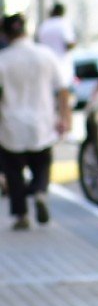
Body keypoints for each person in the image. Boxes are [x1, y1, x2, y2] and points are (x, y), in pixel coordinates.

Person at [0, 13, 71, 230]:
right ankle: (40, 192)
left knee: (13, 171)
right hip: (42, 120)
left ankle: (21, 215)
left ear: (5, 34)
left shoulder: (3, 60)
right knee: (42, 163)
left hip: (11, 124)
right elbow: (63, 88)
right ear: (26, 30)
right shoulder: (45, 55)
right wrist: (65, 117)